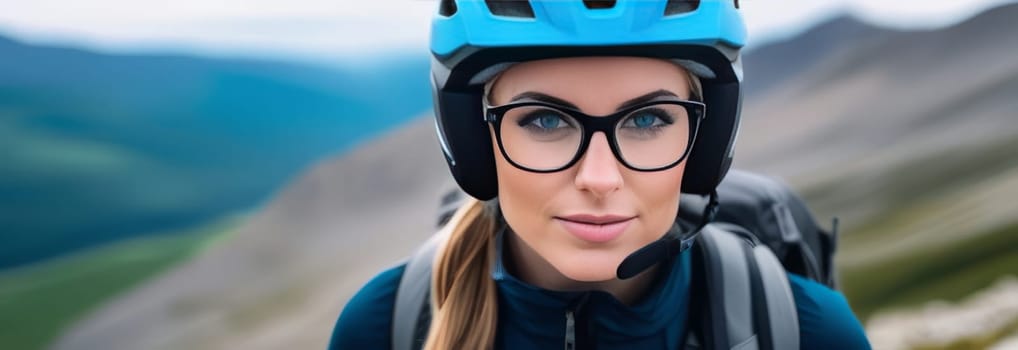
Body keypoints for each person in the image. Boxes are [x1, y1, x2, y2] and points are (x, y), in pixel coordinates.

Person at [330, 1, 871, 349]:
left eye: (647, 119)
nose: (599, 177)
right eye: (544, 120)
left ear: (704, 144)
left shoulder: (810, 333)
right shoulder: (381, 329)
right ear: (475, 140)